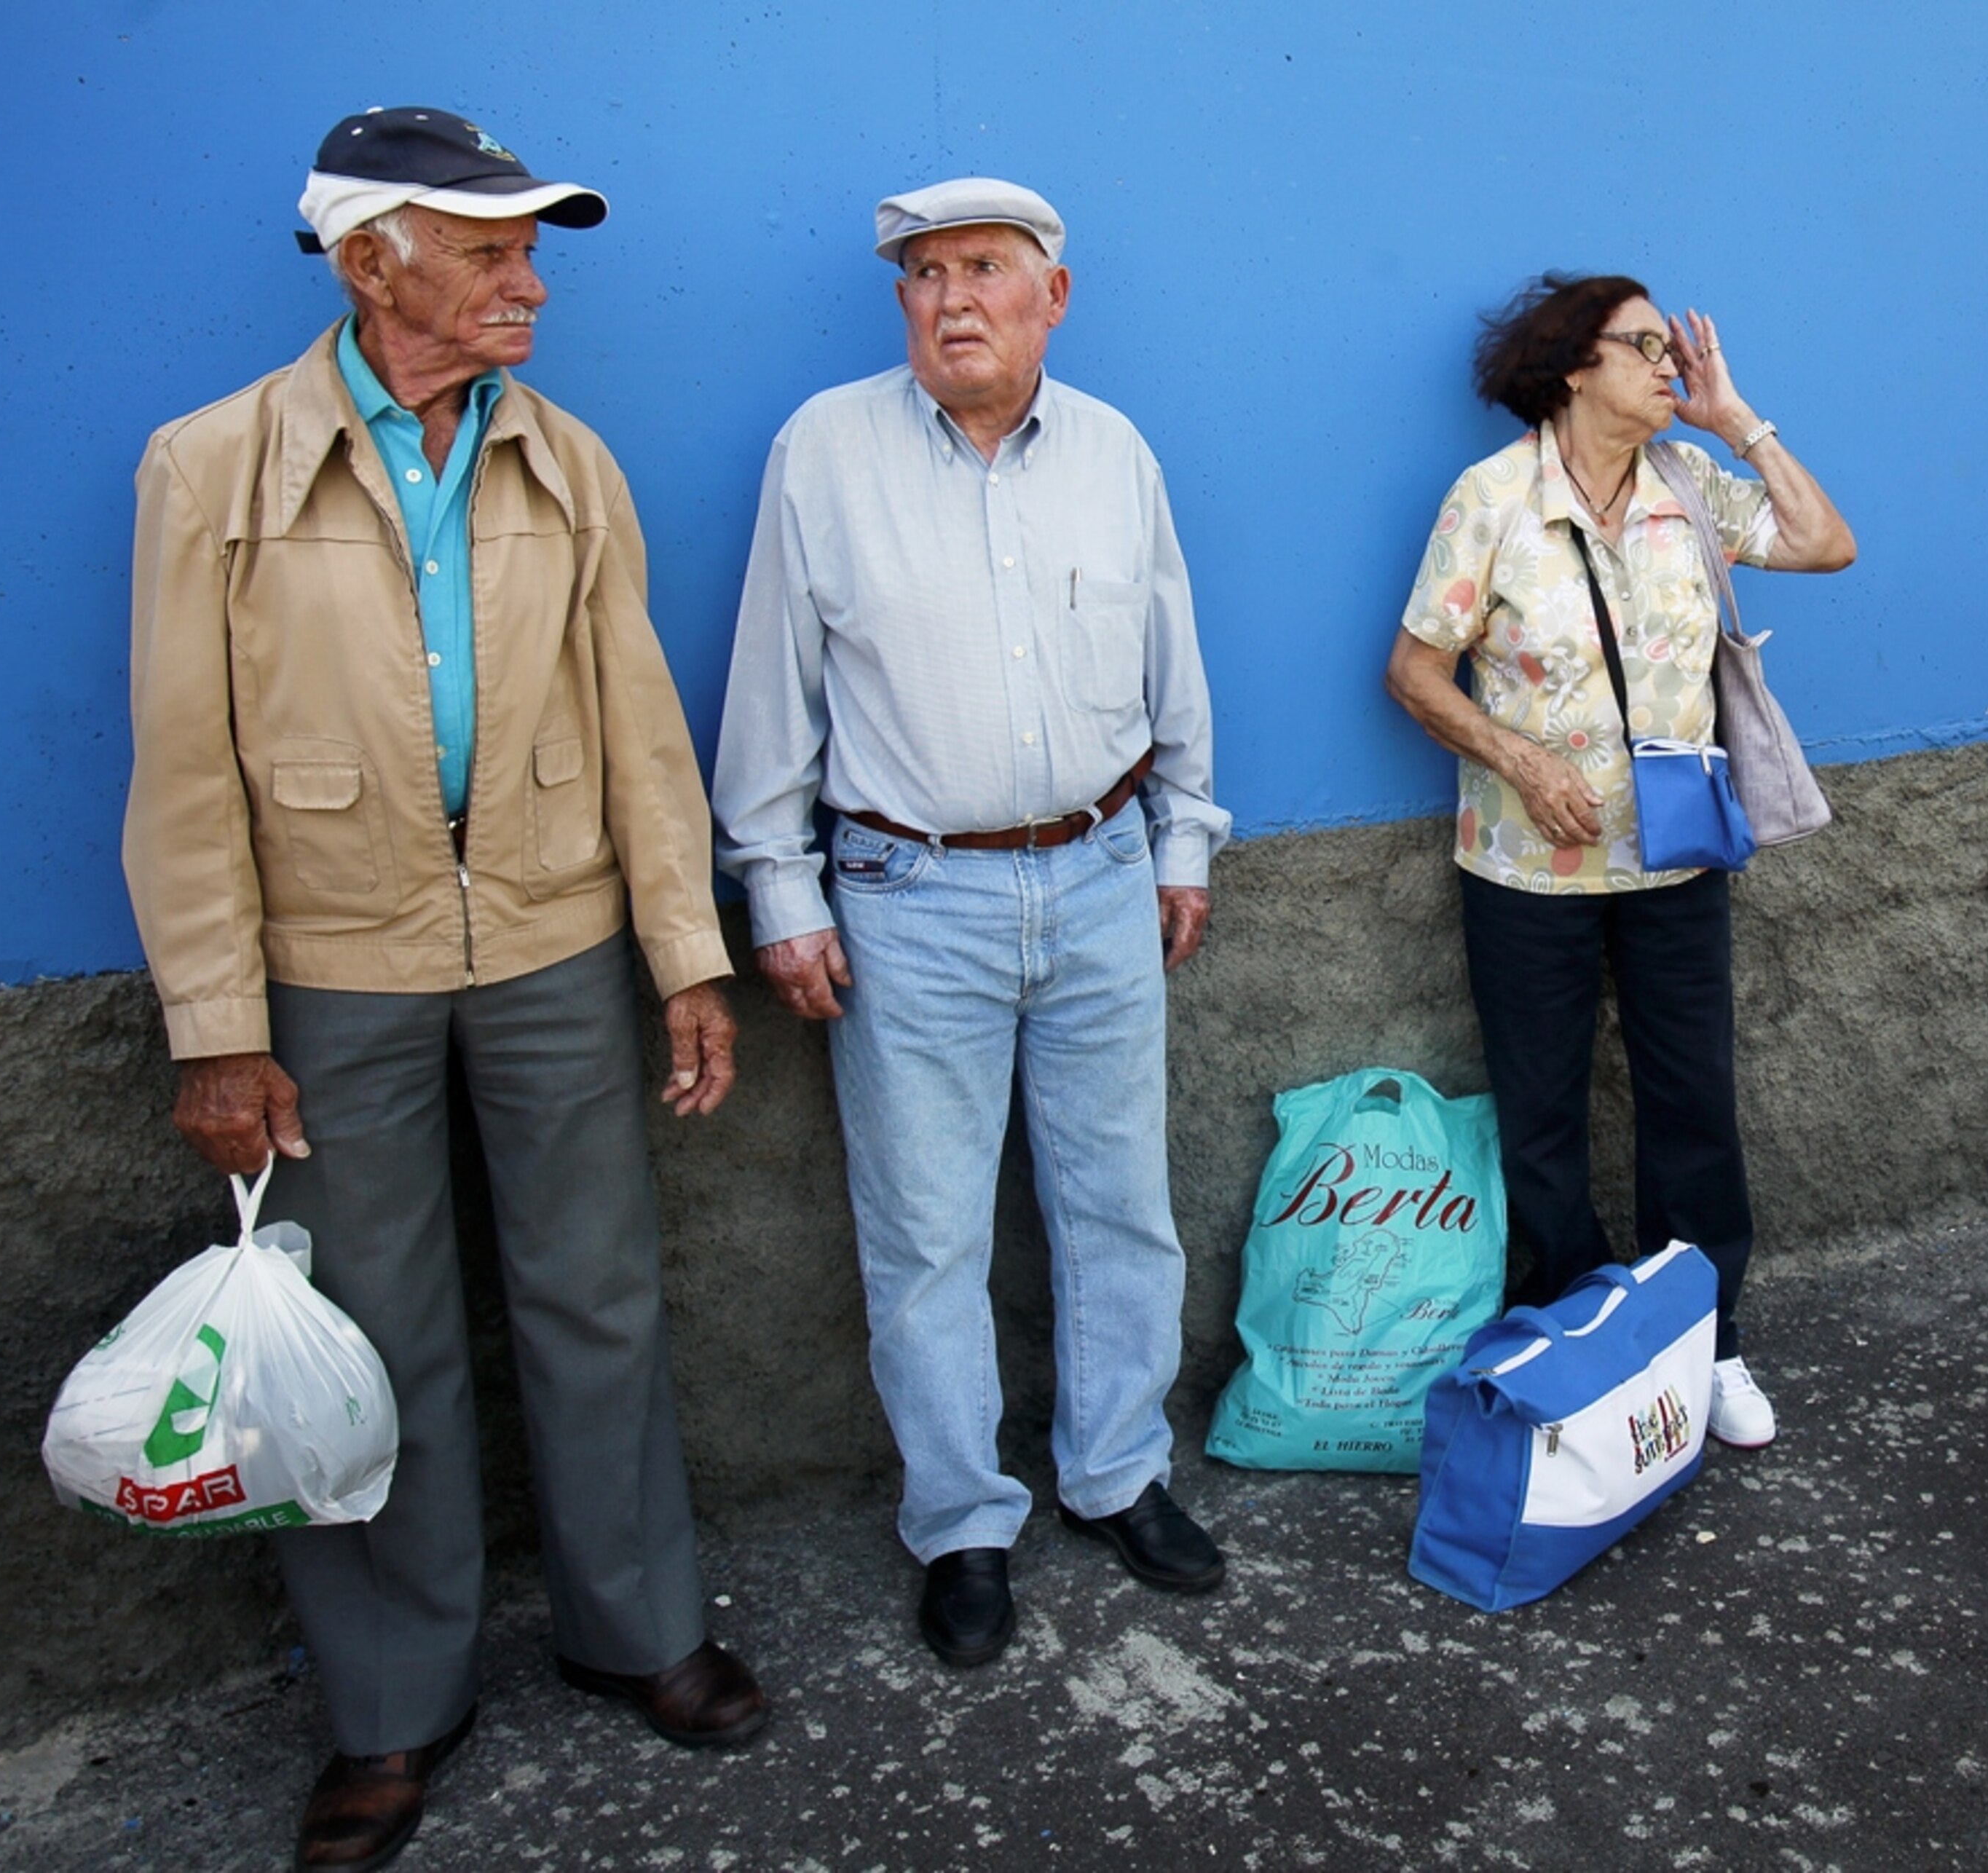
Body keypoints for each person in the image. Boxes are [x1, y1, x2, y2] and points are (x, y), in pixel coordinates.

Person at [123, 106, 766, 1872]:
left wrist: (683, 956)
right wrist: (219, 1025)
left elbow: (644, 727)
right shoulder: (216, 465)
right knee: (364, 1340)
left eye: (529, 249)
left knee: (600, 1295)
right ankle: (390, 1706)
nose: (527, 283)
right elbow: (181, 766)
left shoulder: (565, 459)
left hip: (556, 943)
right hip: (331, 967)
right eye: (487, 251)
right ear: (368, 263)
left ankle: (637, 1626)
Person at [712, 178, 1232, 1668]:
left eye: (985, 270)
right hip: (905, 896)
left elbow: (1169, 658)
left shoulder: (1117, 452)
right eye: (924, 275)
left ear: (1050, 297)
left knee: (1119, 1203)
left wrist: (1182, 838)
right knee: (927, 1232)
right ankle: (960, 1521)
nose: (950, 299)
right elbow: (774, 685)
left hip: (1098, 876)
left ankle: (1117, 1469)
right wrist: (780, 887)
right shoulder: (825, 449)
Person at [1384, 272, 1855, 1451]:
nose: (1669, 365)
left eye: (1673, 350)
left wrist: (1734, 416)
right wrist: (1520, 761)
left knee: (1692, 1103)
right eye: (1645, 346)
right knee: (1542, 1117)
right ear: (1573, 363)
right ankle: (1582, 1340)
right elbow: (1413, 670)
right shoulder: (1492, 498)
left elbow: (1825, 543)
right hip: (1525, 868)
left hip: (1676, 861)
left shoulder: (1693, 486)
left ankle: (1710, 1340)